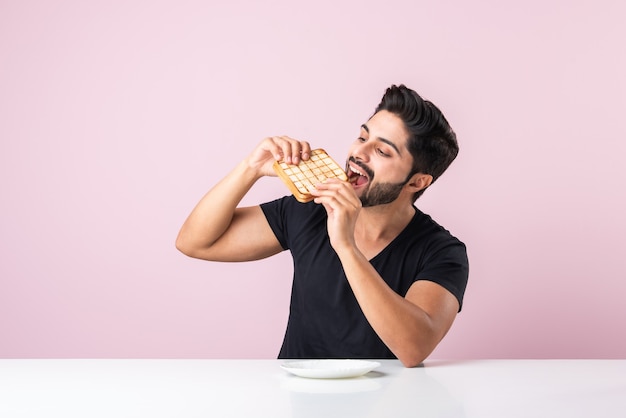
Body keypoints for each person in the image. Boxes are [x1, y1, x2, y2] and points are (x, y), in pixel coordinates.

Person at [176, 85, 469, 367]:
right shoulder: (308, 209)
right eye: (362, 136)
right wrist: (250, 169)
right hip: (296, 399)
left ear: (418, 181)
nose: (359, 153)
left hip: (385, 405)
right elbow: (195, 242)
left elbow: (413, 348)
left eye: (383, 152)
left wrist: (346, 247)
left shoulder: (442, 252)